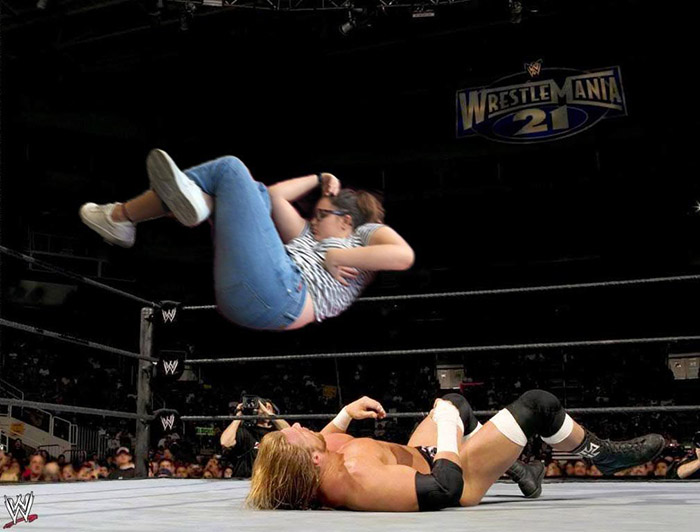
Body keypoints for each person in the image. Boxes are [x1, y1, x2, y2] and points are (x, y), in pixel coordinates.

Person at [80, 150, 414, 330]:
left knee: (230, 169)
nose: (313, 219)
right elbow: (274, 195)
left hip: (286, 294)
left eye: (321, 214)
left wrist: (337, 257)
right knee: (255, 192)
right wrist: (319, 178)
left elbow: (403, 256)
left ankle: (126, 215)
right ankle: (196, 204)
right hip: (255, 296)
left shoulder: (361, 236)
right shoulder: (307, 235)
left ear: (345, 221)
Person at [247, 390, 665, 511]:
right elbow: (444, 488)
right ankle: (604, 455)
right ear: (311, 460)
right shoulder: (356, 477)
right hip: (453, 476)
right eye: (293, 434)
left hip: (420, 454)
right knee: (538, 405)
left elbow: (326, 439)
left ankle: (520, 470)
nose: (296, 425)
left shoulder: (320, 458)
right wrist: (447, 429)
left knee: (456, 402)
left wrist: (345, 413)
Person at [220, 398, 290, 478]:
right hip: (246, 479)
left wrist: (267, 412)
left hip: (269, 479)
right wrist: (239, 416)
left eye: (269, 408)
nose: (265, 410)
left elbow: (290, 432)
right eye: (262, 407)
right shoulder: (245, 431)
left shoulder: (276, 433)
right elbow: (225, 442)